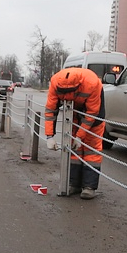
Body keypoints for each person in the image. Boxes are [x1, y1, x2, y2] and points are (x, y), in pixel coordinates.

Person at [44, 68, 105, 199]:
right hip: (72, 112)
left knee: (91, 149)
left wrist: (80, 136)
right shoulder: (55, 82)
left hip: (93, 115)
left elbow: (91, 114)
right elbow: (50, 110)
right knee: (73, 148)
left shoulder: (92, 83)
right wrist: (49, 136)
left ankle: (89, 186)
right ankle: (73, 184)